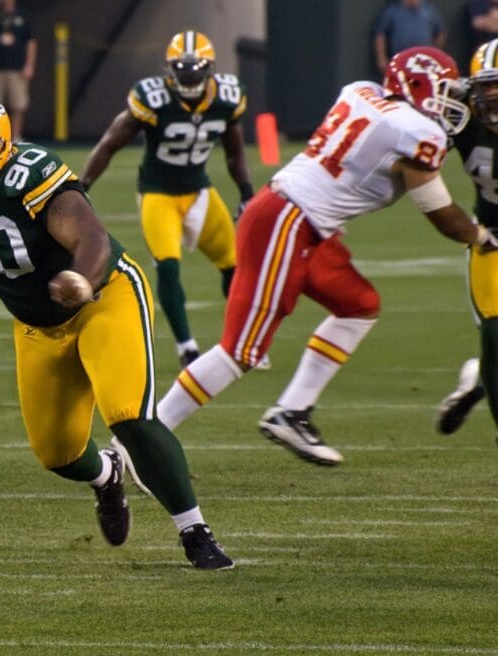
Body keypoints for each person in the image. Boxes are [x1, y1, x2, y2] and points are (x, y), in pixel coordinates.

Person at [0, 90, 233, 569]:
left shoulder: (31, 173)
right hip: (36, 327)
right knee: (58, 453)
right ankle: (108, 477)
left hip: (102, 299)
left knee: (128, 414)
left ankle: (194, 529)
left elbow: (90, 233)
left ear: (1, 140)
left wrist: (81, 279)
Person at [156, 47, 497, 467]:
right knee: (241, 350)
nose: (449, 101)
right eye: (443, 90)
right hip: (289, 218)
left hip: (303, 220)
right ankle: (149, 434)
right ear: (419, 85)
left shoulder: (361, 91)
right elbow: (441, 212)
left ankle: (292, 411)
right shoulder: (417, 131)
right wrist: (481, 236)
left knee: (359, 305)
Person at [81, 30, 255, 368]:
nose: (189, 75)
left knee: (234, 265)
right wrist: (83, 185)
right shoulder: (152, 99)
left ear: (211, 69)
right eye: (182, 68)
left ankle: (244, 339)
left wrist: (247, 192)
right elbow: (109, 144)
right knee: (168, 265)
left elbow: (234, 152)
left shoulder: (226, 99)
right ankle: (186, 346)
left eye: (196, 68)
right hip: (158, 193)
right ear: (169, 70)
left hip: (199, 192)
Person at [435, 38, 498, 443]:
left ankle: (477, 377)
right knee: (495, 331)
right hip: (492, 238)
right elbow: (416, 157)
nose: (491, 97)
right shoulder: (462, 117)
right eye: (484, 87)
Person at [0, 0, 36, 142]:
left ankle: (16, 136)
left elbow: (31, 42)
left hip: (16, 68)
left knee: (18, 105)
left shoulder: (23, 15)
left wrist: (30, 64)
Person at [373, 0, 446, 75]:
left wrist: (435, 53)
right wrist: (382, 59)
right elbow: (380, 34)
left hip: (424, 62)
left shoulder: (429, 10)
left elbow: (441, 31)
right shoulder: (393, 11)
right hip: (400, 61)